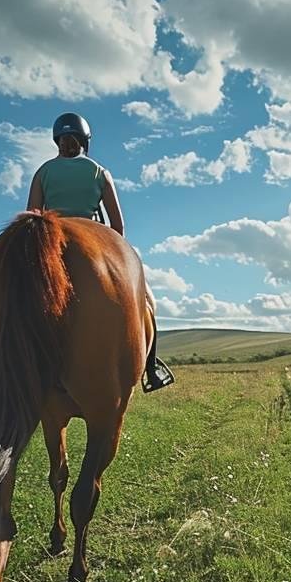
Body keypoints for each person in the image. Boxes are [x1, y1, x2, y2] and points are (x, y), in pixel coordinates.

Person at [28, 112, 174, 392]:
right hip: (95, 238)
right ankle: (151, 368)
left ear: (57, 141)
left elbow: (33, 217)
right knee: (144, 300)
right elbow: (117, 225)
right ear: (85, 142)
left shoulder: (43, 172)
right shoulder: (98, 171)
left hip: (51, 246)